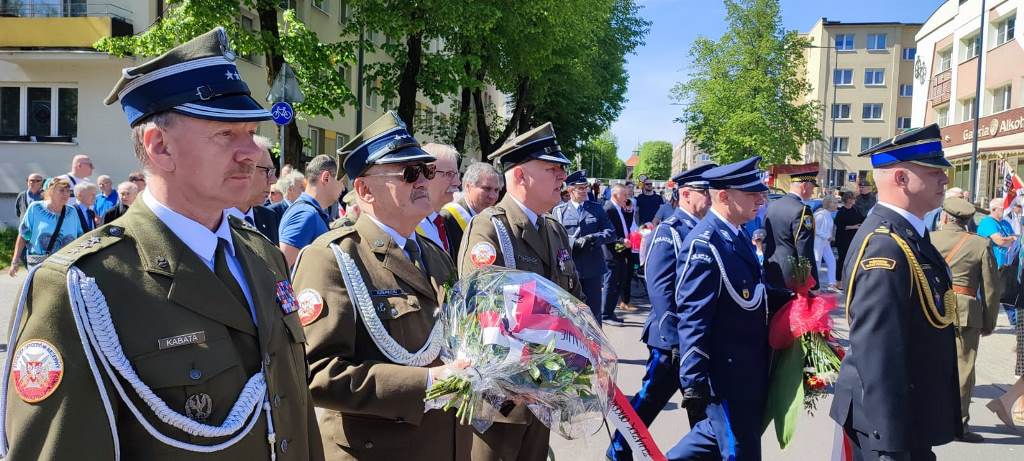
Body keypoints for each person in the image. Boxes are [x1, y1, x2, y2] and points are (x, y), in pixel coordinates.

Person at [1, 28, 323, 460]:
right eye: (227, 135)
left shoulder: (261, 256)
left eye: (251, 131)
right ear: (159, 147)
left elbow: (292, 416)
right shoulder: (84, 285)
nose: (252, 152)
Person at [292, 111, 470, 460]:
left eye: (427, 171)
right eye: (409, 173)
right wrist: (429, 383)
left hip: (445, 444)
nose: (422, 181)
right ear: (364, 190)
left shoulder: (434, 255)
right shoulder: (332, 258)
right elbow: (316, 374)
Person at [830, 124, 960, 460]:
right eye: (933, 172)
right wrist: (889, 444)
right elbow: (877, 351)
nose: (944, 180)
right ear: (900, 179)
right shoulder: (886, 247)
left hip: (909, 414)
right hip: (888, 427)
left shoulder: (908, 235)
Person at [457, 121, 579, 461]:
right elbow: (480, 314)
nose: (562, 177)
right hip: (502, 404)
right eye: (552, 169)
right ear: (521, 176)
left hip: (545, 395)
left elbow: (575, 304)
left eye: (562, 169)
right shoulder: (490, 228)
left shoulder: (554, 229)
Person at [667, 157, 786, 460]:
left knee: (711, 439)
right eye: (751, 194)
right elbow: (694, 317)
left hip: (749, 368)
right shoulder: (705, 245)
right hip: (726, 374)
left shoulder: (738, 233)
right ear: (723, 196)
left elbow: (753, 293)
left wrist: (794, 301)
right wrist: (692, 380)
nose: (761, 199)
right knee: (739, 451)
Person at [607, 164, 715, 461]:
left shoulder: (705, 229)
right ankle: (618, 449)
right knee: (649, 401)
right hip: (671, 344)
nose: (712, 197)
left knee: (704, 411)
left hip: (695, 343)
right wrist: (676, 341)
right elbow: (660, 291)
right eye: (706, 192)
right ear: (686, 194)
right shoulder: (670, 231)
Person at [932, 196, 1002, 443]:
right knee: (963, 370)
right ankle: (959, 425)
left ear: (943, 217)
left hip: (932, 308)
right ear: (968, 221)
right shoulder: (980, 244)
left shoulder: (928, 240)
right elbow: (991, 289)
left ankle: (927, 418)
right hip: (966, 312)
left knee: (929, 364)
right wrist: (989, 321)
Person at [553, 170, 616, 323]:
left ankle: (595, 346)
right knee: (570, 314)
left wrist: (592, 238)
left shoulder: (596, 208)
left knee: (593, 314)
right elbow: (555, 236)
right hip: (569, 270)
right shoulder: (559, 211)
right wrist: (574, 242)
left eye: (585, 187)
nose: (584, 191)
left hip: (593, 269)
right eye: (579, 188)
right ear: (569, 189)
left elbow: (611, 232)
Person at [278, 154, 344, 267]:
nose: (343, 187)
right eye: (341, 181)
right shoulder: (305, 214)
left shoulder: (311, 212)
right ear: (326, 178)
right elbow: (282, 270)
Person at [8, 177, 83, 274]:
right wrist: (15, 261)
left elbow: (80, 237)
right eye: (61, 190)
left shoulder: (72, 211)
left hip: (66, 265)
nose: (66, 194)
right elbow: (23, 235)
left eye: (68, 191)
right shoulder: (35, 208)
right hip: (40, 265)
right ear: (50, 191)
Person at [764, 170, 819, 290]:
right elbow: (804, 249)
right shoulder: (802, 210)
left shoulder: (772, 206)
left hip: (771, 269)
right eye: (812, 187)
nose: (813, 192)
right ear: (804, 186)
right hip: (793, 276)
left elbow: (765, 240)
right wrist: (813, 282)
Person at [440, 161, 502, 260]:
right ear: (468, 187)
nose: (493, 196)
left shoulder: (495, 220)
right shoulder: (448, 217)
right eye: (487, 188)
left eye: (496, 190)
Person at [231, 135, 280, 244]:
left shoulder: (269, 217)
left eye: (273, 172)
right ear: (242, 170)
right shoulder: (213, 220)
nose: (274, 180)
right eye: (268, 171)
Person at [977, 197, 1018, 325]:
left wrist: (1009, 239)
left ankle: (1016, 323)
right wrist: (1010, 239)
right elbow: (999, 241)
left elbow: (1015, 240)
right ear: (993, 209)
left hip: (1005, 266)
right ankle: (980, 321)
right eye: (1003, 207)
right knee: (987, 295)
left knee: (1007, 295)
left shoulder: (1005, 223)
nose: (1006, 210)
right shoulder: (987, 222)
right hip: (990, 265)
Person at [416, 143, 462, 254]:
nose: (457, 182)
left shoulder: (448, 223)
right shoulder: (409, 227)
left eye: (457, 174)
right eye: (449, 174)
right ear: (426, 174)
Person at [603, 184, 637, 323]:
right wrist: (622, 241)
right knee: (610, 283)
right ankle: (605, 314)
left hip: (621, 252)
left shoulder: (620, 209)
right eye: (624, 195)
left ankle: (610, 312)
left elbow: (625, 226)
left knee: (618, 282)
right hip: (612, 253)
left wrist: (628, 212)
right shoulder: (608, 209)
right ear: (615, 194)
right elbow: (608, 233)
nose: (626, 198)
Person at [833, 190, 864, 280]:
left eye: (854, 198)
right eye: (852, 198)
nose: (854, 200)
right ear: (848, 200)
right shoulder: (841, 212)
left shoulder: (855, 210)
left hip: (853, 239)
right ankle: (839, 280)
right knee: (842, 260)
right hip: (843, 239)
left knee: (852, 261)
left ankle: (848, 279)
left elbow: (862, 220)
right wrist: (853, 227)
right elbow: (840, 227)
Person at [813, 196, 839, 291]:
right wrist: (826, 236)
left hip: (825, 243)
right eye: (834, 203)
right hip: (818, 243)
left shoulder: (828, 214)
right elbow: (814, 229)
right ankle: (814, 285)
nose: (836, 205)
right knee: (817, 264)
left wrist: (829, 236)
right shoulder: (820, 215)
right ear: (829, 204)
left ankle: (832, 284)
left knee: (832, 261)